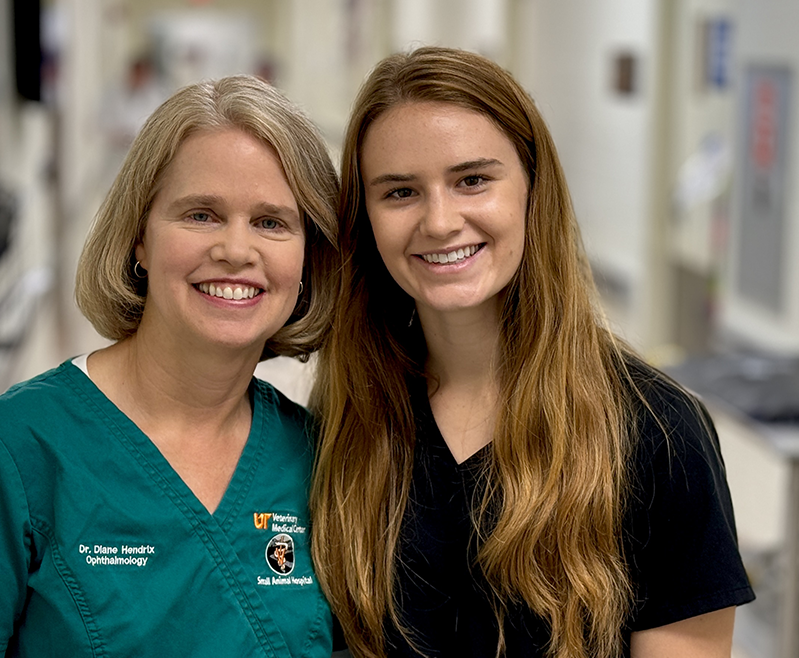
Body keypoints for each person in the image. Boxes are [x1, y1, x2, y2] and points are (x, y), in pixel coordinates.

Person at [0, 75, 339, 658]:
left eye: (272, 222)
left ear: (308, 257)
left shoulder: (324, 462)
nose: (237, 250)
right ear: (139, 237)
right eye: (201, 215)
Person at [309, 47, 755, 658]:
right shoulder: (348, 417)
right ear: (366, 218)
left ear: (532, 191)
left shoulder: (658, 431)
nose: (440, 222)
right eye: (400, 192)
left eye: (472, 180)